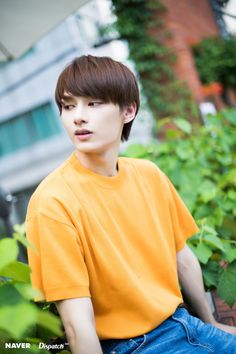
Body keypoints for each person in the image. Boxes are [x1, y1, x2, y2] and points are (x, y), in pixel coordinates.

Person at [26, 55, 236, 354]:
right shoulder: (52, 202)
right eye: (68, 106)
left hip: (186, 325)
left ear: (128, 111)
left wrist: (211, 323)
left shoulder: (148, 174)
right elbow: (76, 324)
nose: (78, 117)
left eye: (93, 104)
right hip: (133, 346)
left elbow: (183, 256)